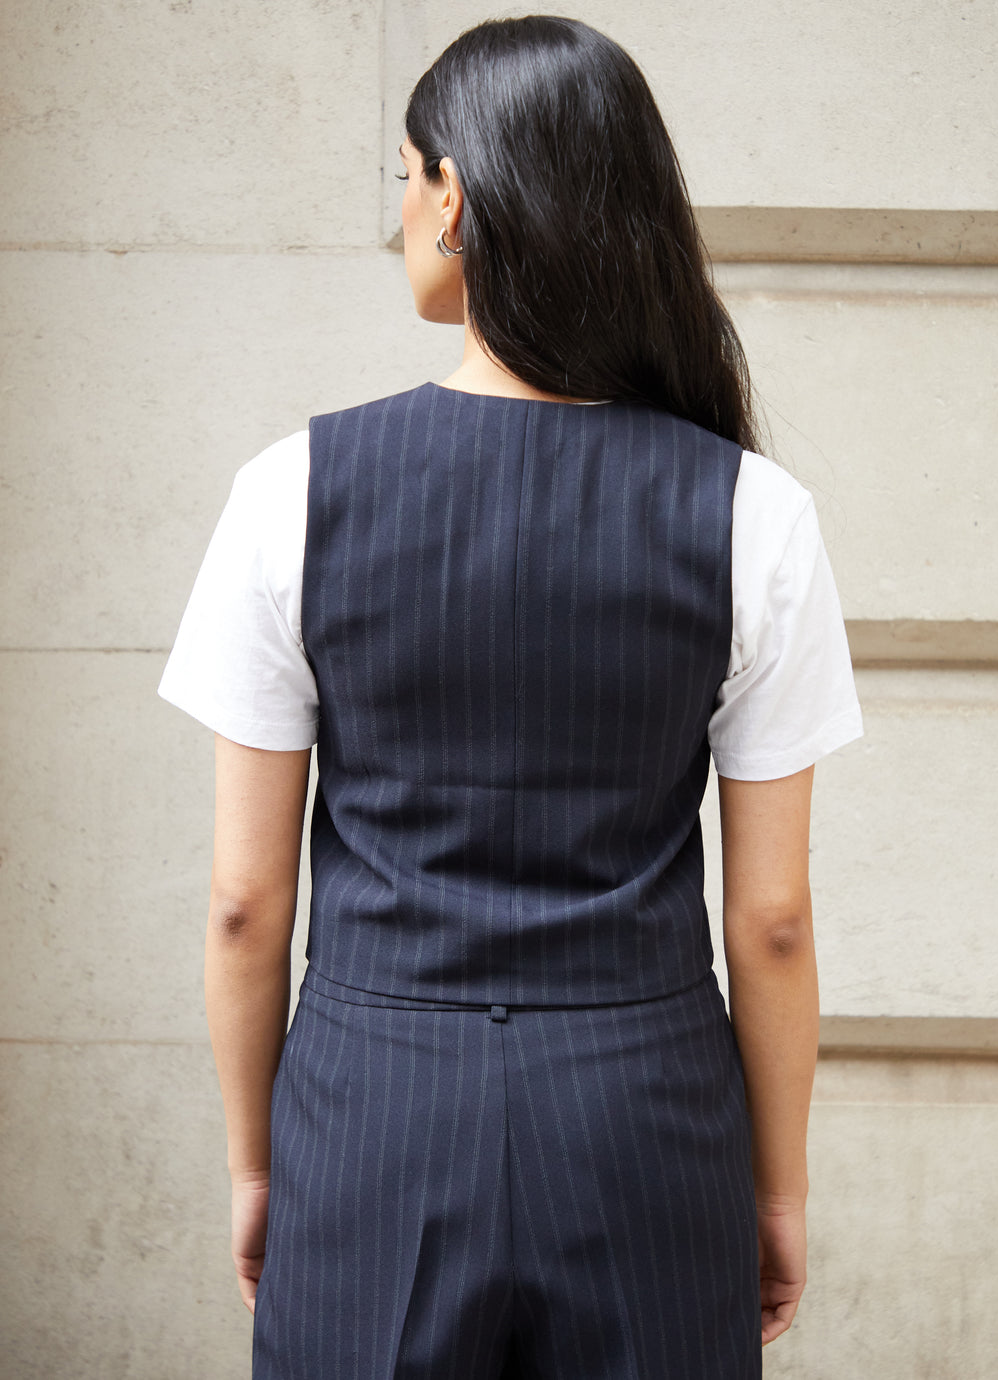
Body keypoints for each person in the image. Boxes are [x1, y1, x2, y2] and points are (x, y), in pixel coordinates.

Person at [159, 14, 863, 1379]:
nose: (400, 215)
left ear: (457, 196)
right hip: (647, 1128)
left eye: (405, 178)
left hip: (371, 1120)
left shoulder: (291, 494)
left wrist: (259, 1163)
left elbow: (247, 906)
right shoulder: (752, 513)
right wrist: (775, 1194)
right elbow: (770, 920)